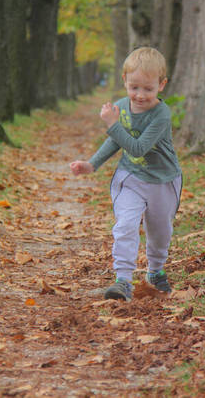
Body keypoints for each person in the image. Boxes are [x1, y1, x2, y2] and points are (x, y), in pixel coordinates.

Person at [69, 47, 182, 301]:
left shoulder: (161, 114)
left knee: (160, 231)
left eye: (148, 89)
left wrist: (112, 125)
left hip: (164, 181)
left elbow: (138, 146)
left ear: (161, 85)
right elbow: (116, 142)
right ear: (125, 82)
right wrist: (92, 164)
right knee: (125, 225)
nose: (140, 95)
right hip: (130, 178)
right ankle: (123, 280)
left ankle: (155, 271)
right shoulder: (120, 107)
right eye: (134, 88)